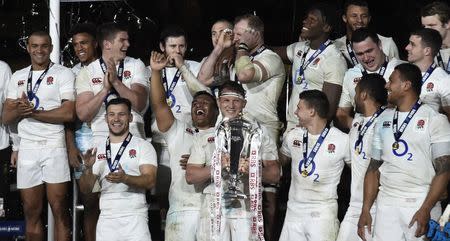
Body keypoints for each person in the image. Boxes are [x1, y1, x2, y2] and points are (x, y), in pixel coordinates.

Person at [358, 63, 450, 241]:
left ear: (406, 85)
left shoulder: (435, 119)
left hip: (419, 202)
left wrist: (426, 209)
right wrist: (365, 209)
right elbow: (373, 168)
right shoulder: (382, 119)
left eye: (391, 81)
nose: (386, 86)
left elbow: (444, 170)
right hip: (386, 202)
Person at [2, 30, 75, 241]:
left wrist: (33, 112)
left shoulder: (63, 73)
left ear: (51, 48)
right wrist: (19, 110)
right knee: (31, 211)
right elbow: (6, 117)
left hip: (54, 144)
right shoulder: (18, 76)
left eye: (44, 46)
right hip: (28, 148)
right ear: (28, 48)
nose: (39, 50)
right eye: (35, 46)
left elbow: (69, 113)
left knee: (59, 208)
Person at [187, 80, 279, 241]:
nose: (231, 105)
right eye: (226, 100)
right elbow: (191, 176)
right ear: (218, 102)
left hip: (246, 205)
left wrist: (252, 168)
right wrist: (219, 164)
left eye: (236, 100)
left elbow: (274, 175)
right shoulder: (208, 132)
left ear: (244, 103)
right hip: (213, 206)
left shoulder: (259, 132)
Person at [149, 50, 219, 241]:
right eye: (196, 103)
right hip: (180, 209)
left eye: (206, 104)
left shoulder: (223, 136)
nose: (199, 106)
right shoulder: (179, 130)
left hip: (212, 210)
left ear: (216, 112)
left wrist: (200, 165)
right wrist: (156, 72)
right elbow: (160, 106)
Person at [78, 97, 157, 241]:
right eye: (112, 114)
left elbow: (150, 181)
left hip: (135, 216)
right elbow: (86, 189)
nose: (116, 119)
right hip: (107, 217)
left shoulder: (143, 146)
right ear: (106, 118)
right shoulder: (98, 149)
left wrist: (125, 178)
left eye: (122, 114)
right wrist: (87, 168)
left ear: (131, 117)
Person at [279, 90, 350, 241]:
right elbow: (279, 164)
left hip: (322, 213)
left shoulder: (342, 140)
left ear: (312, 112)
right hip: (294, 212)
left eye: (299, 108)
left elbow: (358, 172)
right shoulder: (292, 136)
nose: (295, 112)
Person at [273, 2, 347, 131]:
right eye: (306, 18)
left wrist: (309, 129)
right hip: (292, 126)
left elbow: (327, 110)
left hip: (312, 130)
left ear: (326, 27)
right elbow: (270, 53)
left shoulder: (334, 59)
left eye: (312, 20)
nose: (305, 21)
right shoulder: (299, 48)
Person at [75, 22, 149, 142]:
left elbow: (139, 104)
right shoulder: (87, 72)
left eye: (127, 40)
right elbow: (83, 114)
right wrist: (104, 90)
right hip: (101, 140)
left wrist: (116, 82)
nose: (128, 44)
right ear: (107, 44)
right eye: (122, 40)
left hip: (134, 137)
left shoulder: (136, 65)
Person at [336, 74, 387, 241]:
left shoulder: (385, 122)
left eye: (356, 92)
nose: (354, 97)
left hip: (376, 206)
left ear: (363, 95)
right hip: (355, 203)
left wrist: (367, 208)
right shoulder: (358, 121)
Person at [66, 22, 99, 241]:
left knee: (112, 200)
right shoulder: (71, 73)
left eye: (84, 43)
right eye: (76, 44)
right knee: (90, 203)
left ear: (95, 44)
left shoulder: (110, 66)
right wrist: (70, 146)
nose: (80, 48)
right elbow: (68, 116)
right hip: (83, 137)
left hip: (111, 136)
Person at [336, 28, 404, 130]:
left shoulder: (401, 69)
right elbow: (341, 112)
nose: (366, 58)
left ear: (380, 45)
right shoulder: (351, 74)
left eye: (369, 51)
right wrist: (358, 129)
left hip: (394, 132)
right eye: (360, 54)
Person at [334, 0, 399, 67]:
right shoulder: (336, 46)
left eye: (364, 16)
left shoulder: (387, 43)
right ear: (345, 18)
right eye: (354, 16)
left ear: (369, 18)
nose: (359, 20)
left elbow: (400, 73)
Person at [405, 28, 450, 119]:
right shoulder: (402, 73)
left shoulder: (443, 80)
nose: (407, 47)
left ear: (427, 51)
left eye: (412, 44)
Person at [197, 19, 234, 89]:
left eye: (222, 32)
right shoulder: (206, 60)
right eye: (214, 34)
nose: (217, 38)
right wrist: (219, 47)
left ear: (232, 35)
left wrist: (220, 46)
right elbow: (201, 81)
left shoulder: (238, 56)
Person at [421, 1, 450, 73]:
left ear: (447, 24)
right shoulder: (425, 51)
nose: (427, 30)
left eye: (431, 25)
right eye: (424, 26)